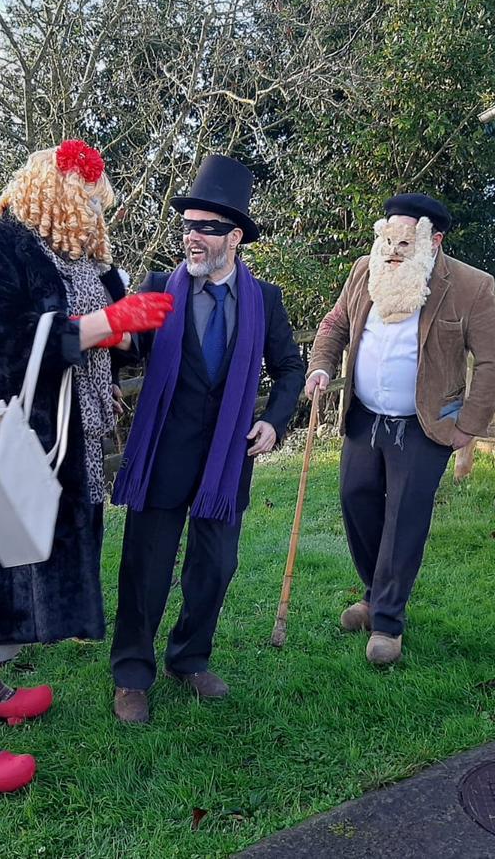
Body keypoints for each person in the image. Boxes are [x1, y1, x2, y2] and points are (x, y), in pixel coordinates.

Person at [0, 140, 172, 798]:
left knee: (36, 578)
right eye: (91, 202)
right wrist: (106, 323)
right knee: (2, 587)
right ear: (57, 194)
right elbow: (12, 346)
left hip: (75, 454)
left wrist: (136, 322)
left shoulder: (93, 266)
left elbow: (120, 351)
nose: (99, 216)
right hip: (9, 449)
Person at [109, 155, 304, 724]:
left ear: (234, 237)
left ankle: (190, 658)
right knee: (146, 564)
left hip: (228, 457)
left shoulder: (264, 300)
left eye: (205, 228)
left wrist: (274, 420)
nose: (191, 237)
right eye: (187, 226)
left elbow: (288, 369)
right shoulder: (156, 289)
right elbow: (124, 350)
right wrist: (117, 336)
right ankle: (131, 673)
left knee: (215, 567)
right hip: (163, 453)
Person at [305, 194, 495, 665]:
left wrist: (468, 426)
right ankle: (375, 593)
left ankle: (389, 622)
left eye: (405, 240)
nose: (393, 249)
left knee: (404, 518)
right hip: (364, 416)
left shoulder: (469, 286)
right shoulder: (364, 270)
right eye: (387, 238)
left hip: (425, 425)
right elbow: (336, 323)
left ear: (433, 241)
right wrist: (321, 365)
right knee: (356, 500)